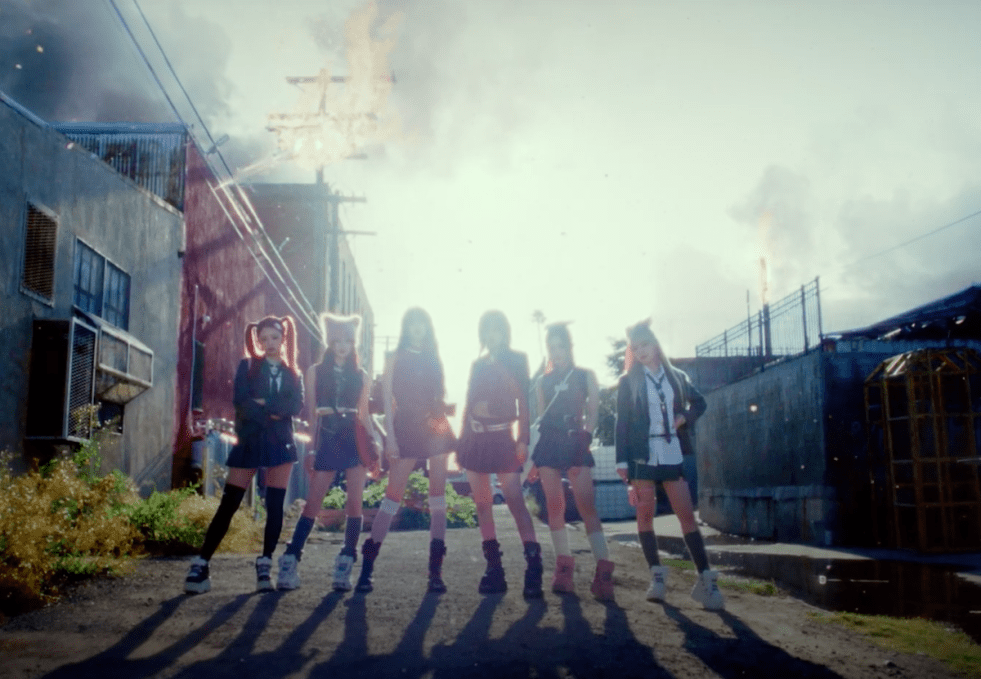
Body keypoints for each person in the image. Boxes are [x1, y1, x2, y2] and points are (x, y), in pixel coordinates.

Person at [184, 316, 303, 594]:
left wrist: (262, 404)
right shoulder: (247, 366)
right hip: (250, 440)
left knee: (275, 506)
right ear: (258, 341)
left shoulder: (293, 374)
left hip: (281, 443)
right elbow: (241, 403)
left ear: (283, 339)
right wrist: (273, 410)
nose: (269, 343)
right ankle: (201, 564)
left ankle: (265, 564)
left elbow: (296, 406)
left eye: (274, 337)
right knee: (229, 503)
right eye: (264, 339)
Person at [615, 320, 723, 610]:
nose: (641, 351)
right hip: (641, 456)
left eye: (645, 345)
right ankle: (657, 578)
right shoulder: (628, 381)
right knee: (644, 516)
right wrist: (621, 461)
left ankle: (705, 580)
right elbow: (621, 423)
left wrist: (684, 417)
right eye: (635, 347)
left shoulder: (676, 376)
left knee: (686, 515)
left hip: (672, 452)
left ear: (655, 344)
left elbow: (700, 403)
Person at [354, 308, 456, 593]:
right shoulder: (394, 357)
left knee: (438, 499)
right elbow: (387, 400)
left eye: (422, 324)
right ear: (406, 328)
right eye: (412, 324)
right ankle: (367, 569)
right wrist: (391, 438)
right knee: (392, 497)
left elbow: (439, 394)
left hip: (436, 426)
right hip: (406, 427)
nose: (417, 329)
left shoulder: (433, 356)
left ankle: (435, 572)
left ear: (427, 327)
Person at [276, 313, 378, 592]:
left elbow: (365, 415)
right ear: (329, 342)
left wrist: (375, 445)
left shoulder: (362, 375)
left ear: (354, 342)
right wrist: (311, 449)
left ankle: (346, 562)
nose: (342, 346)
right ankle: (290, 560)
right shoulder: (315, 371)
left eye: (348, 340)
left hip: (355, 437)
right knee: (313, 502)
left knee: (355, 504)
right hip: (328, 436)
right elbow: (312, 415)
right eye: (337, 340)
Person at [457, 310, 543, 598]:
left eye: (496, 329)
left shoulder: (517, 359)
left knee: (515, 499)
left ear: (505, 331)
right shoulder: (477, 364)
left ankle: (534, 569)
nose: (492, 334)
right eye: (487, 329)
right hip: (475, 438)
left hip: (504, 438)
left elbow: (524, 403)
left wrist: (523, 440)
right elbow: (468, 403)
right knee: (482, 504)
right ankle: (494, 569)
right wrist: (462, 442)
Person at [526, 323, 612, 599]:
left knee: (587, 506)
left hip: (576, 440)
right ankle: (563, 569)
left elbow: (593, 413)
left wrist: (584, 441)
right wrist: (534, 459)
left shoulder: (585, 375)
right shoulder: (543, 381)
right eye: (551, 347)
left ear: (569, 347)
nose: (556, 352)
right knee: (554, 506)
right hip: (549, 443)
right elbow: (540, 421)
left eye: (560, 346)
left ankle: (604, 573)